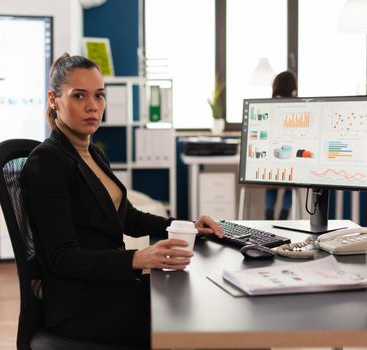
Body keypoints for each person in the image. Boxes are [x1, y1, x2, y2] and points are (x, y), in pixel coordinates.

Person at [21, 53, 224, 347]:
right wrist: (137, 258)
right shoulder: (47, 163)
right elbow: (62, 258)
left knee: (201, 305)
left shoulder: (92, 152)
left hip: (109, 287)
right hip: (81, 307)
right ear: (54, 99)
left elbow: (126, 216)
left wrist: (187, 225)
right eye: (79, 96)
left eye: (99, 96)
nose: (93, 106)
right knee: (201, 323)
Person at [265, 70, 297, 220]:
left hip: (272, 157)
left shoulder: (269, 104)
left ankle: (269, 212)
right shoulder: (295, 105)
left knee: (271, 185)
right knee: (290, 185)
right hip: (289, 156)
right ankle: (285, 213)